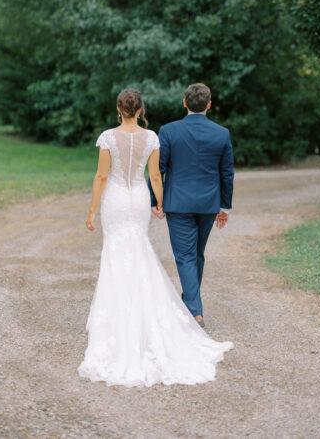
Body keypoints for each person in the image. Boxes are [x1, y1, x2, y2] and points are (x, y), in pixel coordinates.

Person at [78, 87, 233, 387]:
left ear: (118, 108)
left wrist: (92, 210)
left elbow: (101, 176)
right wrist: (157, 200)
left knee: (117, 252)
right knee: (143, 250)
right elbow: (155, 175)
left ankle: (119, 318)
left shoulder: (109, 137)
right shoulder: (152, 138)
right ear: (140, 109)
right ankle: (172, 311)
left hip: (116, 200)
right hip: (138, 199)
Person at [149, 83, 235, 328]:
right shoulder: (221, 133)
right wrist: (224, 207)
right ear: (209, 104)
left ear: (184, 102)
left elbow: (159, 169)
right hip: (208, 204)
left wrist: (155, 200)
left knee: (187, 256)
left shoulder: (168, 131)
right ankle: (190, 304)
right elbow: (227, 173)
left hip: (178, 203)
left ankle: (194, 311)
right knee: (196, 254)